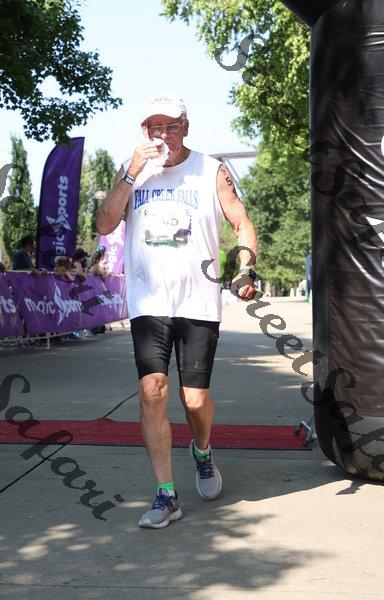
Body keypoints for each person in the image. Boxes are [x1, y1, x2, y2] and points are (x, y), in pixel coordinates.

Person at [96, 93, 258, 529]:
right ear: (144, 131)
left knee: (195, 399)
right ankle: (166, 495)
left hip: (198, 301)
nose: (162, 135)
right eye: (155, 127)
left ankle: (202, 451)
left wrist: (245, 269)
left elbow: (241, 223)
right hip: (148, 301)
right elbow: (104, 224)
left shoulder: (210, 169)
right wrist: (131, 172)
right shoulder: (132, 172)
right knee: (152, 390)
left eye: (170, 126)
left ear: (185, 127)